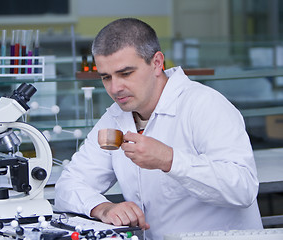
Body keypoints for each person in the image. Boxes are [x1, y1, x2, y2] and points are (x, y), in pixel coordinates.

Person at [54, 18, 263, 240]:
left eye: (126, 73)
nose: (115, 88)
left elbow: (243, 188)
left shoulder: (205, 105)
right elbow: (69, 184)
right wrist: (102, 208)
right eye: (106, 77)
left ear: (157, 63)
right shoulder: (115, 118)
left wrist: (169, 160)